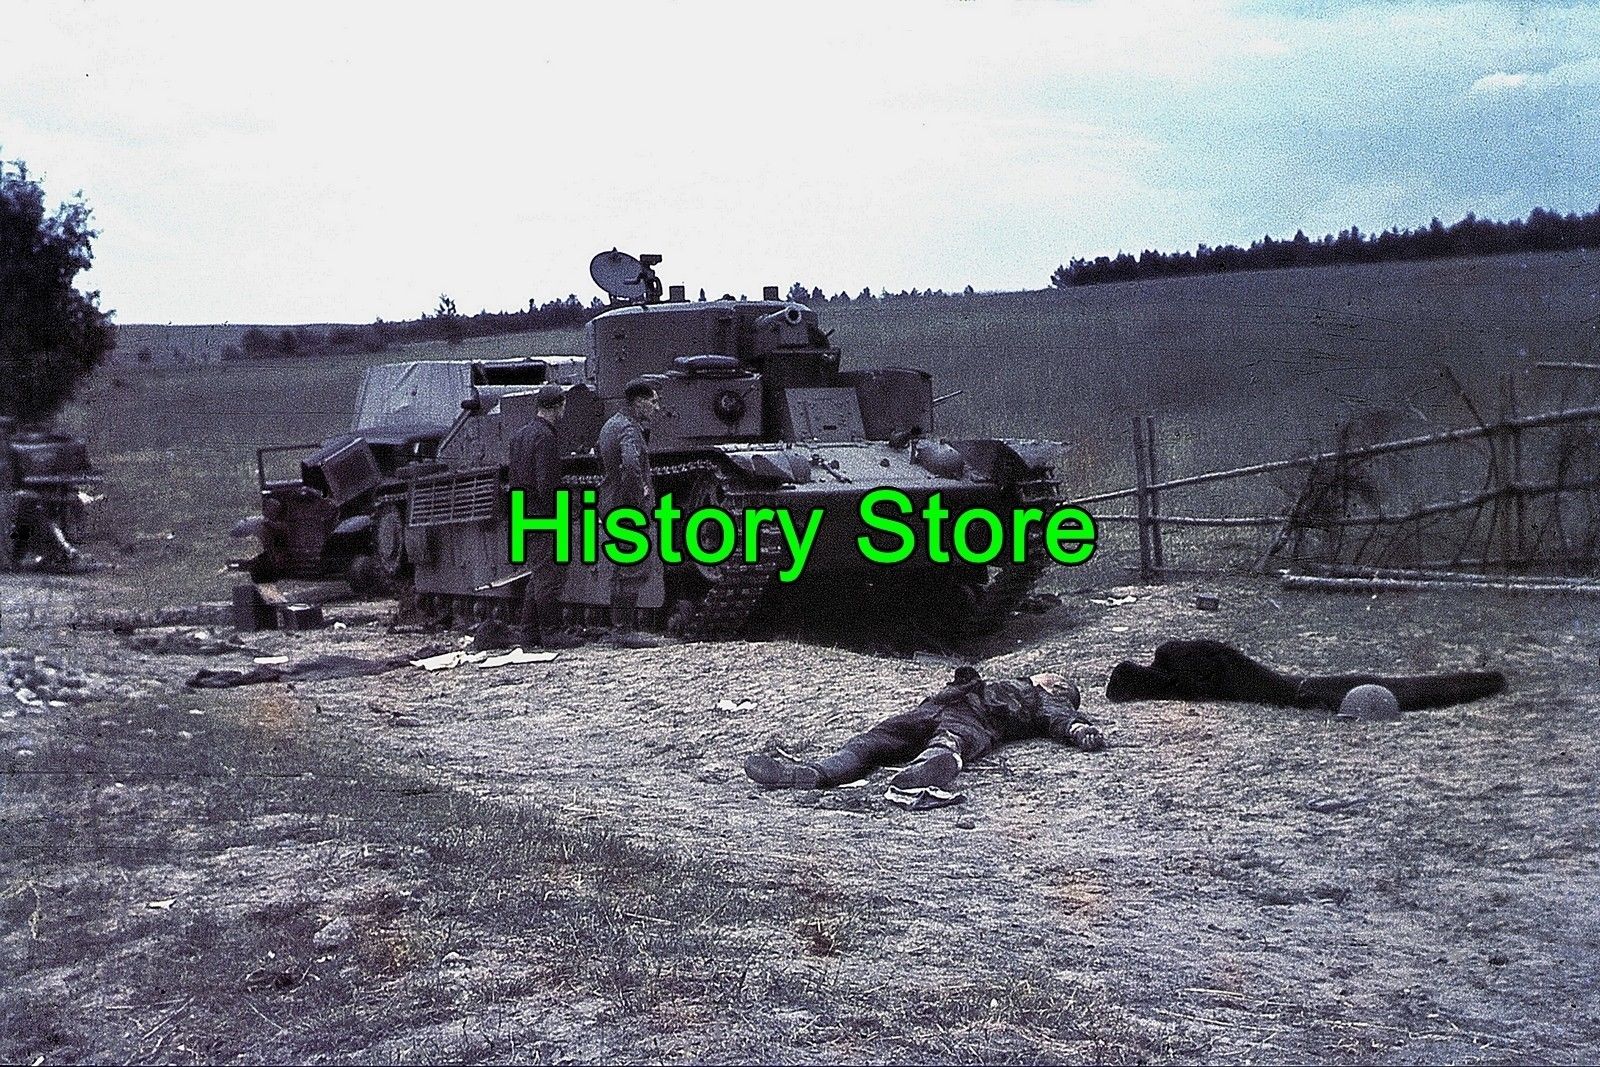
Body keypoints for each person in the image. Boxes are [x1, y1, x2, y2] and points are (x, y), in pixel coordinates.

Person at [744, 666, 1105, 799]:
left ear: (1059, 689)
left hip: (977, 719)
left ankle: (922, 773)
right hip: (932, 709)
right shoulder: (1014, 683)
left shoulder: (1042, 697)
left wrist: (1079, 729)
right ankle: (811, 773)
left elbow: (1059, 717)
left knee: (950, 741)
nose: (1050, 675)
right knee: (871, 741)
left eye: (1058, 680)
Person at [1105, 638, 1506, 711]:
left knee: (1398, 692)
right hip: (1278, 683)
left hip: (1282, 687)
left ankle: (1485, 681)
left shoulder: (1176, 661)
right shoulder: (1174, 661)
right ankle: (1486, 681)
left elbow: (1227, 677)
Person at [507, 384, 576, 648]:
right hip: (544, 513)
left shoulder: (520, 435)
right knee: (550, 576)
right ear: (559, 406)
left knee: (538, 574)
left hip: (523, 511)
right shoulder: (546, 437)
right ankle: (551, 632)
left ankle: (528, 632)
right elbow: (546, 483)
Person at [597, 378, 660, 630]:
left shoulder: (611, 424)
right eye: (653, 402)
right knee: (633, 565)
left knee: (622, 566)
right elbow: (632, 464)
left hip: (612, 501)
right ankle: (624, 629)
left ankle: (620, 627)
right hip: (627, 506)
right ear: (639, 402)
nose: (656, 408)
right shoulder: (629, 429)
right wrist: (639, 495)